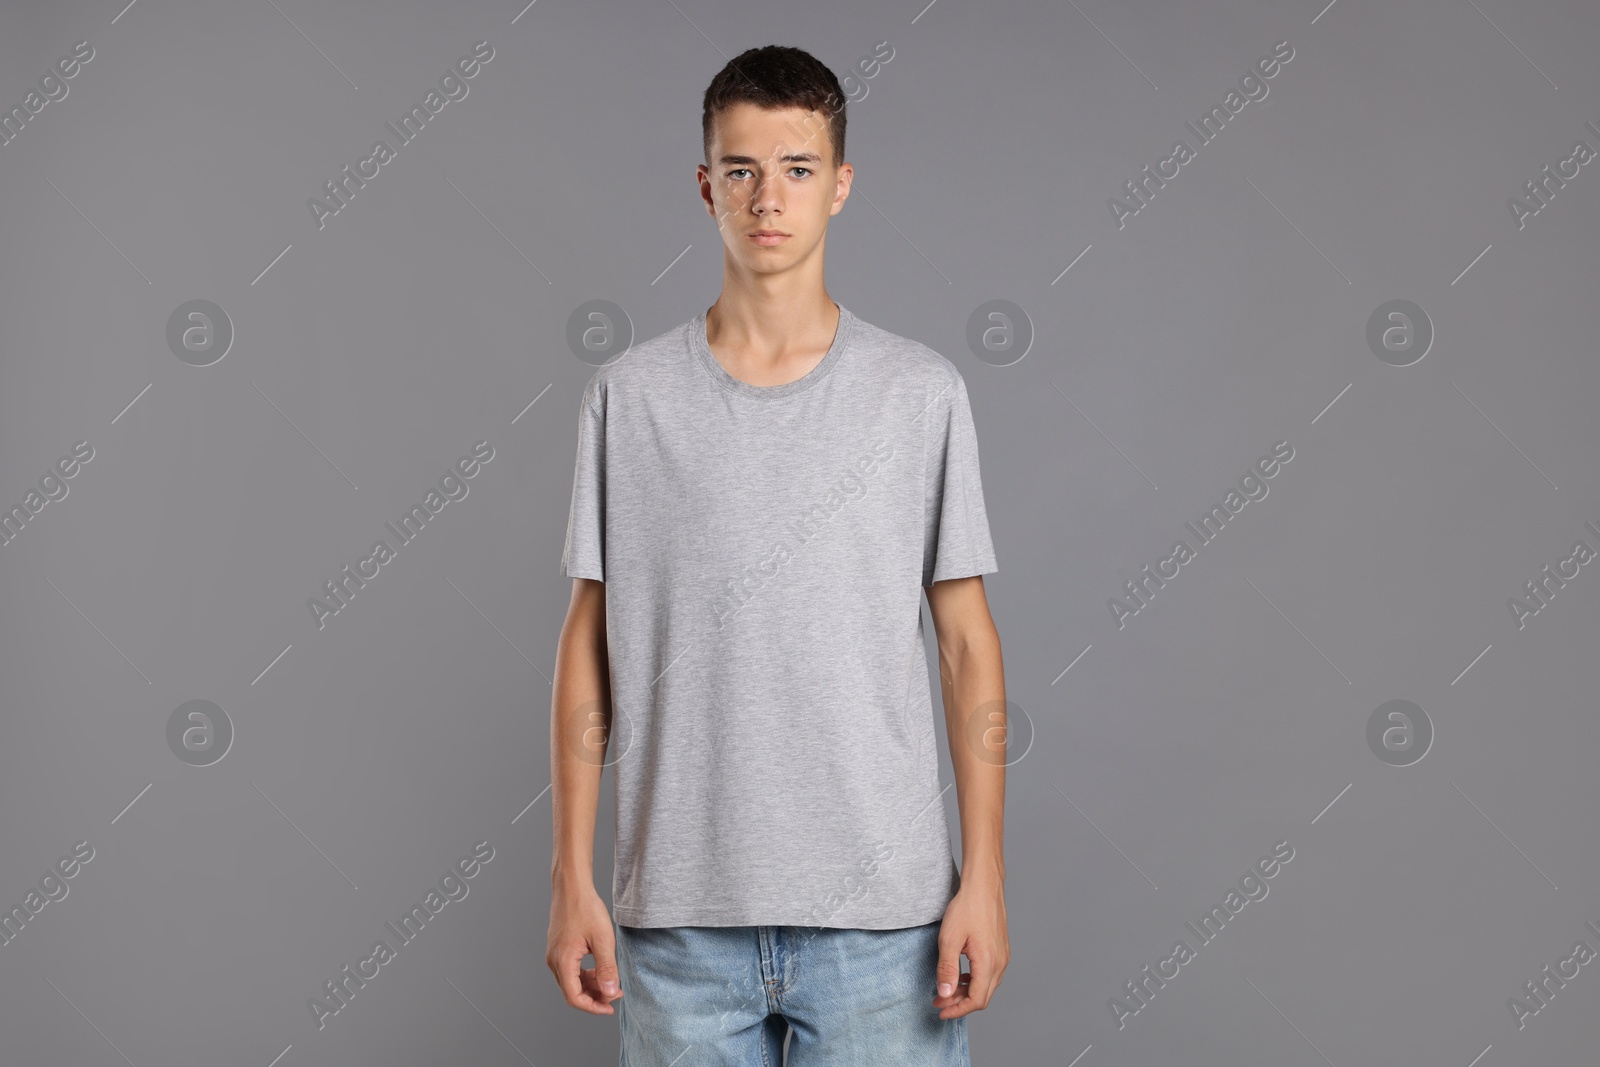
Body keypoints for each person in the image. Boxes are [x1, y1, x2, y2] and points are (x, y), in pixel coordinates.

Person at [547, 43, 1009, 1065]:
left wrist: (984, 876)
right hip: (676, 922)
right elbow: (589, 642)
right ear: (706, 183)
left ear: (840, 186)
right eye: (743, 169)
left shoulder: (917, 393)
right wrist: (568, 874)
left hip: (884, 928)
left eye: (797, 168)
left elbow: (968, 644)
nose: (769, 198)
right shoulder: (627, 398)